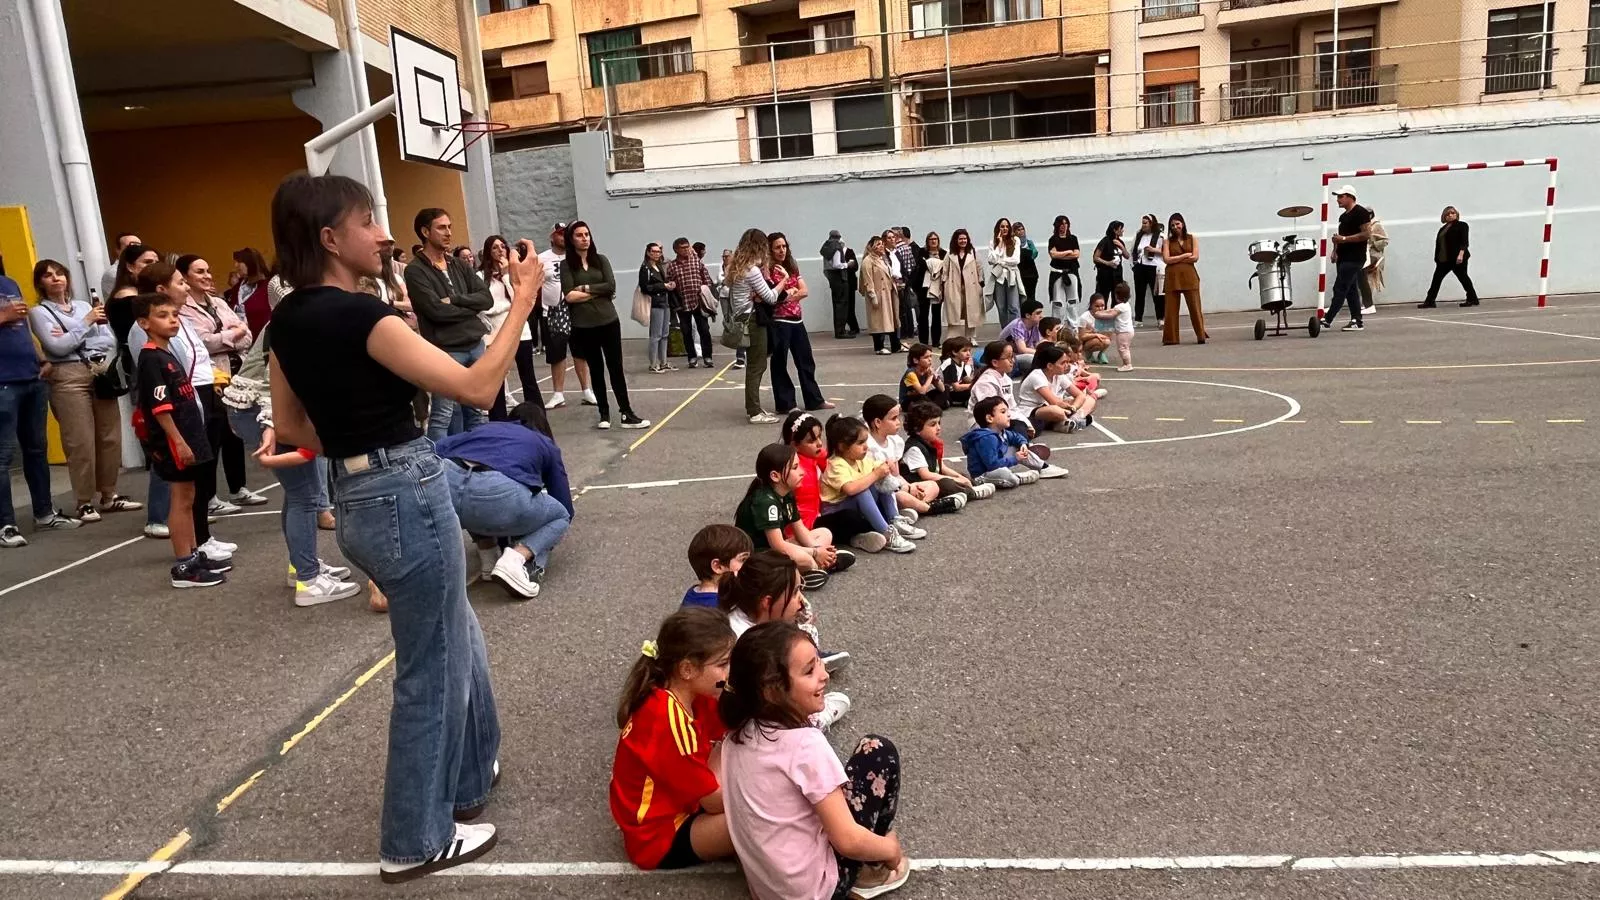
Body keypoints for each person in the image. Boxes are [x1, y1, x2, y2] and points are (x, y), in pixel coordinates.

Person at [266, 172, 544, 881]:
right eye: (368, 221)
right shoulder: (364, 316)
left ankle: (469, 779)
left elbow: (292, 428)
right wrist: (522, 300)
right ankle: (415, 839)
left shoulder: (287, 321)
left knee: (458, 634)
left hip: (358, 496)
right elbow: (479, 386)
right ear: (330, 238)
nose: (384, 235)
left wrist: (353, 446)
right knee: (432, 667)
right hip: (404, 491)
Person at [720, 621, 910, 900]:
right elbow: (848, 840)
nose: (824, 675)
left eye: (819, 661)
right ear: (772, 692)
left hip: (767, 889)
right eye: (809, 671)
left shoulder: (736, 736)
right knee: (878, 751)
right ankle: (871, 870)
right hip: (815, 890)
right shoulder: (805, 745)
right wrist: (890, 850)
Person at [220, 322, 357, 607]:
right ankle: (308, 579)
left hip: (263, 410)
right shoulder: (301, 319)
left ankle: (302, 565)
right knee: (304, 495)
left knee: (299, 493)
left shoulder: (303, 315)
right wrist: (271, 426)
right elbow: (277, 378)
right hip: (264, 410)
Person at [611, 607, 737, 871]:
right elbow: (713, 802)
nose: (729, 672)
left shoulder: (687, 692)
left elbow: (729, 725)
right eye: (723, 664)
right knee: (758, 817)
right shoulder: (667, 720)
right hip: (657, 837)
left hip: (679, 805)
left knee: (740, 749)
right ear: (687, 669)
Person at [135, 262, 235, 561]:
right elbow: (160, 406)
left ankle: (196, 550)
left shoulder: (167, 352)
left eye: (175, 315)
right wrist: (178, 441)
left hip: (191, 426)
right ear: (144, 323)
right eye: (163, 316)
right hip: (176, 436)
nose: (172, 321)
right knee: (180, 499)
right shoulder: (151, 358)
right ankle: (185, 561)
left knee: (190, 495)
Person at [28, 259, 138, 522]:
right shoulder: (39, 312)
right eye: (48, 275)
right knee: (80, 441)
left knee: (110, 435)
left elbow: (107, 338)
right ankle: (84, 501)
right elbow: (57, 347)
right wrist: (86, 323)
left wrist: (74, 333)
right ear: (40, 283)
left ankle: (109, 494)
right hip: (67, 375)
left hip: (98, 371)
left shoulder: (83, 305)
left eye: (59, 273)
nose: (56, 278)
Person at [435, 401, 572, 600]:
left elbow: (435, 449)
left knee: (473, 494)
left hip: (449, 487)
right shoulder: (544, 442)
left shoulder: (485, 428)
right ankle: (516, 559)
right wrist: (537, 534)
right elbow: (564, 504)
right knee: (560, 515)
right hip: (499, 492)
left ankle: (488, 557)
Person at [177, 254, 268, 511]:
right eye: (199, 271)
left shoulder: (218, 302)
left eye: (207, 270)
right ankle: (210, 497)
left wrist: (228, 336)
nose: (207, 276)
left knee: (233, 434)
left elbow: (247, 333)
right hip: (213, 375)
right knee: (213, 435)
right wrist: (232, 335)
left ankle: (239, 488)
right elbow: (203, 342)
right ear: (184, 277)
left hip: (237, 372)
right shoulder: (183, 309)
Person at [1, 264, 81, 548]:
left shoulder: (9, 283)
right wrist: (4, 316)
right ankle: (5, 524)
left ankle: (45, 514)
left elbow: (22, 328)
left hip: (31, 376)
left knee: (37, 449)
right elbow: (11, 317)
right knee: (3, 456)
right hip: (3, 382)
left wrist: (41, 358)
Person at [406, 207, 495, 438]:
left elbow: (487, 299)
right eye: (442, 228)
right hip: (446, 350)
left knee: (476, 411)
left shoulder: (458, 264)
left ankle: (475, 455)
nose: (448, 232)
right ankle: (443, 458)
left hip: (475, 344)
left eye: (449, 227)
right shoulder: (415, 271)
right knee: (444, 415)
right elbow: (436, 311)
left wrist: (455, 300)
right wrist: (471, 308)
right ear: (425, 232)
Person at [562, 221, 649, 430]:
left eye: (587, 234)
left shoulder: (601, 260)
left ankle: (626, 413)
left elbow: (610, 286)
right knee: (596, 369)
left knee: (615, 368)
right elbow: (569, 295)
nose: (584, 238)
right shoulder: (566, 265)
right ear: (571, 239)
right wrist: (597, 292)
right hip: (584, 325)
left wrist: (583, 288)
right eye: (579, 235)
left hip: (608, 321)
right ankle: (604, 413)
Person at [734, 443, 853, 589]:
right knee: (805, 559)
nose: (802, 472)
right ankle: (814, 571)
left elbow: (800, 529)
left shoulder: (787, 493)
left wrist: (818, 550)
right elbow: (778, 546)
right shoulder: (765, 502)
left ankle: (814, 569)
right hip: (757, 557)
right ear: (775, 476)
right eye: (795, 467)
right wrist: (815, 553)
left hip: (775, 550)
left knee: (824, 533)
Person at [781, 411, 881, 554]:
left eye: (819, 437)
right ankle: (873, 534)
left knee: (872, 494)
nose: (819, 443)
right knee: (850, 517)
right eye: (811, 441)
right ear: (795, 445)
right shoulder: (792, 468)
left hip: (819, 515)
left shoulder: (815, 455)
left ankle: (866, 533)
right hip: (805, 524)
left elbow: (832, 459)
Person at [820, 415, 916, 554]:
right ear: (842, 446)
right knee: (862, 490)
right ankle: (886, 533)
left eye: (866, 441)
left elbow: (876, 468)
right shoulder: (836, 464)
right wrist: (876, 474)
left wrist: (885, 467)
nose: (866, 446)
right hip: (838, 514)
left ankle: (894, 519)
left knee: (881, 482)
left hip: (856, 508)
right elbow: (850, 489)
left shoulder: (860, 459)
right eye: (860, 443)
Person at [480, 234, 544, 418]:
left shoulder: (515, 272)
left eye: (503, 246)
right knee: (497, 379)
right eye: (495, 247)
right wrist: (501, 309)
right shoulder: (480, 277)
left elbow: (520, 299)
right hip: (496, 333)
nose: (500, 250)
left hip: (520, 331)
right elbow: (485, 305)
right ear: (488, 252)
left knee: (528, 377)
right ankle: (499, 421)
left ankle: (537, 418)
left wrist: (507, 275)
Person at [767, 232, 831, 415]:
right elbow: (774, 297)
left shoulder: (791, 266)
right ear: (770, 250)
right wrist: (787, 293)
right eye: (777, 247)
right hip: (779, 322)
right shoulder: (768, 270)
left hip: (797, 320)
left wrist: (788, 294)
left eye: (784, 246)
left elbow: (804, 291)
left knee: (806, 361)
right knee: (780, 363)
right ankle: (786, 403)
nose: (782, 250)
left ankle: (814, 400)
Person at [726, 228, 786, 423]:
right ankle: (754, 411)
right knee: (757, 365)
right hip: (752, 319)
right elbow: (771, 297)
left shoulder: (737, 267)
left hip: (741, 316)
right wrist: (784, 281)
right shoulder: (752, 270)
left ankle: (754, 408)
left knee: (754, 365)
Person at [863, 394, 949, 518]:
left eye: (898, 417)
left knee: (932, 485)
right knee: (900, 496)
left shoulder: (895, 441)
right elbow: (878, 484)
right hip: (882, 491)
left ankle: (914, 507)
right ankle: (929, 508)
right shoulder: (868, 447)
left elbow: (897, 475)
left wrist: (909, 486)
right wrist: (905, 489)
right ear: (878, 422)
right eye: (893, 418)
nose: (899, 422)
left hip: (898, 485)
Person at [539, 223, 595, 410]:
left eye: (565, 234)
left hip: (576, 309)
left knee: (580, 352)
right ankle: (558, 393)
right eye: (559, 234)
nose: (563, 237)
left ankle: (586, 390)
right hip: (552, 311)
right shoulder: (542, 258)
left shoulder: (575, 257)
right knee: (557, 354)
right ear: (552, 236)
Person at [961, 397, 1064, 488]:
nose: (1009, 415)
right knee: (1004, 474)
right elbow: (992, 465)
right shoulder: (986, 438)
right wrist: (1015, 459)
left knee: (1020, 449)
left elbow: (1016, 436)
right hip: (983, 474)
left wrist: (1023, 443)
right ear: (990, 418)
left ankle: (1043, 467)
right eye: (1003, 412)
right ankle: (1017, 478)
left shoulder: (1002, 432)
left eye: (1007, 411)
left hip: (995, 468)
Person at [901, 400, 988, 504]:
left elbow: (942, 467)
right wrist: (955, 480)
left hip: (932, 478)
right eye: (933, 424)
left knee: (961, 475)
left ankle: (972, 485)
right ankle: (971, 493)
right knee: (947, 483)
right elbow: (926, 475)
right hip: (921, 485)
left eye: (939, 423)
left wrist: (959, 477)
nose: (938, 428)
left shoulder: (931, 443)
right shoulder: (914, 448)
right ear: (917, 428)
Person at [1015, 343, 1091, 434]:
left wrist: (1074, 407)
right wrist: (1070, 408)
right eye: (1063, 363)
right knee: (1055, 411)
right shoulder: (1037, 376)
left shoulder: (1059, 375)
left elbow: (1079, 395)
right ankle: (1070, 420)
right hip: (1032, 410)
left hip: (1050, 406)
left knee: (1089, 399)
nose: (1066, 365)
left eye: (1067, 362)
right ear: (1050, 366)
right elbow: (1055, 402)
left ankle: (1071, 420)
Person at [1323, 187, 1370, 331]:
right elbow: (1340, 237)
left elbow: (1366, 234)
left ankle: (1327, 320)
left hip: (1355, 258)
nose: (1338, 200)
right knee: (1351, 290)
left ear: (1350, 197)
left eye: (1340, 196)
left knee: (1340, 287)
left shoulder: (1361, 213)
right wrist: (1335, 250)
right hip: (1343, 257)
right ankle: (1357, 321)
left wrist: (1344, 239)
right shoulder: (1343, 217)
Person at [666, 237, 716, 368]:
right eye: (682, 248)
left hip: (698, 302)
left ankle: (707, 357)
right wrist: (675, 301)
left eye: (687, 247)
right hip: (683, 304)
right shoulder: (672, 266)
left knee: (704, 330)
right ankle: (692, 357)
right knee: (686, 331)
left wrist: (706, 293)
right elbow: (670, 284)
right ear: (676, 250)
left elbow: (706, 278)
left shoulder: (696, 261)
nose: (686, 250)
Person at [1161, 213, 1209, 344]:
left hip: (1189, 276)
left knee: (1195, 307)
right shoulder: (1167, 242)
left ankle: (1201, 335)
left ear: (1182, 224)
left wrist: (1176, 259)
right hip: (1172, 277)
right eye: (1172, 225)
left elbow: (1195, 257)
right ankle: (1171, 338)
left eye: (1177, 224)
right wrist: (1184, 256)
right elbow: (1167, 259)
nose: (1175, 227)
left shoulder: (1192, 238)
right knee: (1170, 309)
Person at [1419, 205, 1479, 309]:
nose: (1450, 215)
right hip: (1444, 260)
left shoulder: (1462, 225)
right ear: (1444, 216)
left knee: (1463, 278)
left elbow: (1464, 241)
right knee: (1436, 280)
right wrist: (1437, 259)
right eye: (1447, 214)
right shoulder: (1443, 229)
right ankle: (1430, 301)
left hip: (1457, 258)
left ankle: (1472, 299)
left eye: (1453, 213)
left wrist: (1461, 255)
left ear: (1457, 214)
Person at [683, 524, 751, 608]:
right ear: (718, 566)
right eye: (743, 559)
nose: (750, 563)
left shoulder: (694, 592)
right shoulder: (719, 605)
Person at [859, 235, 899, 356]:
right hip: (878, 294)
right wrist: (872, 295)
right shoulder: (868, 261)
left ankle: (896, 345)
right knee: (877, 321)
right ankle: (879, 346)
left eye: (882, 244)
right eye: (878, 244)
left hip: (887, 293)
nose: (881, 246)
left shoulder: (883, 259)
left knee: (890, 320)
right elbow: (867, 280)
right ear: (872, 247)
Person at [639, 242, 676, 374]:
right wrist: (663, 286)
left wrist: (668, 285)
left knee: (665, 334)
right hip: (655, 303)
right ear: (648, 252)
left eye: (658, 251)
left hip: (665, 302)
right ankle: (653, 363)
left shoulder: (659, 266)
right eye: (653, 251)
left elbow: (662, 283)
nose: (656, 254)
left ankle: (663, 362)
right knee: (656, 335)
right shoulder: (646, 268)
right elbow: (645, 287)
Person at [940, 228, 983, 341]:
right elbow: (944, 271)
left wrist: (980, 284)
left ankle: (971, 337)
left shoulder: (973, 253)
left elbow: (980, 269)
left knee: (970, 313)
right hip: (954, 287)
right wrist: (944, 286)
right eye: (960, 239)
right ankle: (953, 337)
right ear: (956, 240)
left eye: (965, 238)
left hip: (971, 286)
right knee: (954, 313)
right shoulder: (950, 254)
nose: (963, 241)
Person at [227, 248, 274, 336]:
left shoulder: (269, 286)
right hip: (240, 338)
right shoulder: (237, 288)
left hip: (263, 338)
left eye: (239, 262)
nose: (236, 265)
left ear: (251, 262)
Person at [1047, 215, 1084, 323]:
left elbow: (1076, 254)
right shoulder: (1053, 239)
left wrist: (1061, 254)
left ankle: (1074, 324)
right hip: (1057, 272)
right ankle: (1056, 324)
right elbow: (1054, 255)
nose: (1064, 226)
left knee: (1072, 300)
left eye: (1066, 223)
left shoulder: (1073, 239)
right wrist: (1068, 252)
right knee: (1057, 301)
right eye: (1061, 224)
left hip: (1071, 271)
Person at [819, 230, 855, 339]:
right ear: (838, 237)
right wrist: (847, 264)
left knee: (836, 305)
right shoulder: (836, 247)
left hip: (832, 278)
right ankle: (841, 331)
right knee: (842, 305)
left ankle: (838, 330)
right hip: (840, 277)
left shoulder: (826, 246)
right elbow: (837, 264)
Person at [1130, 214, 1165, 327]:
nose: (1143, 225)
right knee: (1139, 293)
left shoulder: (1160, 236)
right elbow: (1133, 250)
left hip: (1154, 266)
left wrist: (1153, 250)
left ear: (1151, 223)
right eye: (1142, 223)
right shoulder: (1139, 235)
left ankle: (1160, 318)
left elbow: (1166, 251)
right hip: (1140, 266)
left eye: (1145, 223)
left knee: (1157, 294)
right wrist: (1134, 265)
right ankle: (1138, 319)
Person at [1092, 283, 1136, 371]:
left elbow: (1111, 314)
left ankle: (1127, 364)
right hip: (1128, 331)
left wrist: (1098, 315)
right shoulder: (1126, 305)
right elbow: (1111, 311)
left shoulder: (1120, 307)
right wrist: (1103, 312)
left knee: (1122, 348)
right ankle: (1127, 364)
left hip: (1123, 332)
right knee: (1125, 347)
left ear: (1117, 296)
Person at [987, 217, 1022, 327]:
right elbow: (991, 260)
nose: (1005, 228)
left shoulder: (1015, 240)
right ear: (998, 228)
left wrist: (1001, 262)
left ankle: (1016, 331)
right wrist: (1000, 244)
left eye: (1007, 226)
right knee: (1001, 307)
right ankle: (1005, 331)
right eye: (1002, 226)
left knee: (1014, 306)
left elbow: (1016, 260)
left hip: (1011, 276)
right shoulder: (993, 242)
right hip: (999, 277)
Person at [998, 299, 1045, 372]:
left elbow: (1037, 344)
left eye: (1041, 313)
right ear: (1027, 315)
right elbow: (1022, 349)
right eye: (1038, 313)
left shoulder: (1035, 324)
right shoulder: (1017, 325)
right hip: (1007, 357)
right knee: (1032, 358)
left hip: (1018, 354)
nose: (1042, 316)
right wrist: (1042, 353)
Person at [899, 343, 946, 410]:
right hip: (908, 401)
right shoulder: (911, 373)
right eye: (926, 357)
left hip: (921, 397)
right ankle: (935, 405)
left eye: (930, 356)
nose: (930, 359)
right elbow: (922, 392)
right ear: (916, 360)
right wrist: (930, 377)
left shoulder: (927, 370)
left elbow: (942, 389)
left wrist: (936, 377)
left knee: (946, 388)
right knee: (922, 397)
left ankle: (933, 405)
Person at [919, 232, 946, 346]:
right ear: (927, 241)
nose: (933, 241)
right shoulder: (921, 252)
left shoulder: (944, 253)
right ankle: (923, 341)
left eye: (935, 239)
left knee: (936, 315)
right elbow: (919, 268)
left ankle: (936, 341)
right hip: (924, 288)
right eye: (931, 239)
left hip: (938, 287)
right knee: (923, 315)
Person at [893, 226, 920, 341]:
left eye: (892, 236)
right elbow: (912, 265)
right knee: (907, 307)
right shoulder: (906, 248)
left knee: (903, 307)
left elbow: (907, 266)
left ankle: (905, 331)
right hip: (907, 279)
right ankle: (909, 330)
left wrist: (905, 279)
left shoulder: (898, 249)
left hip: (901, 280)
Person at [1361, 208, 1387, 317]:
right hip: (1364, 255)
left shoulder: (1376, 225)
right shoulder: (1364, 226)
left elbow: (1385, 241)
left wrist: (1373, 245)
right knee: (1363, 280)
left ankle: (1368, 304)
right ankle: (1365, 303)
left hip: (1374, 256)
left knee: (1370, 280)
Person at [1092, 220, 1126, 302]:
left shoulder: (1120, 242)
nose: (1122, 230)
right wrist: (1108, 263)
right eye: (1121, 229)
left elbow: (1127, 256)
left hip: (1117, 275)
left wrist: (1121, 247)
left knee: (1117, 298)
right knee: (1103, 296)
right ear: (1115, 230)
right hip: (1105, 275)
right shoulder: (1105, 241)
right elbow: (1096, 257)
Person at [101, 232, 141, 299]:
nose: (136, 250)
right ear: (118, 250)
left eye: (139, 247)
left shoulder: (140, 268)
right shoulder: (114, 273)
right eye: (131, 247)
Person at [938, 336, 975, 408]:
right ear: (954, 352)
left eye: (969, 350)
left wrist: (976, 381)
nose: (968, 354)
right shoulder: (950, 364)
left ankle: (968, 401)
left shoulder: (961, 361)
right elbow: (956, 387)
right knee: (975, 390)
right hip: (946, 392)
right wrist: (974, 385)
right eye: (964, 351)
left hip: (953, 390)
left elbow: (964, 377)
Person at [1015, 221, 1040, 305]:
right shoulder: (1014, 244)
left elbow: (1034, 253)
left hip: (1031, 274)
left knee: (1031, 297)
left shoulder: (1029, 242)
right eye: (1018, 230)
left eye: (1022, 229)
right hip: (1020, 273)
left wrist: (1026, 255)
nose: (1021, 231)